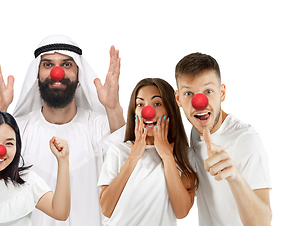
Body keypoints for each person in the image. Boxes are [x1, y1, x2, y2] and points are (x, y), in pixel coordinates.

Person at [0, 34, 126, 225]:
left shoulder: (100, 127)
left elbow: (126, 165)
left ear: (79, 73)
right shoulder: (19, 129)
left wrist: (112, 108)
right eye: (48, 64)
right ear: (37, 74)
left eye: (67, 64)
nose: (57, 72)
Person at [174, 53, 271, 225]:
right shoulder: (196, 130)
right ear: (178, 99)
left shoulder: (246, 140)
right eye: (189, 93)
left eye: (208, 91)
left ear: (222, 93)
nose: (199, 103)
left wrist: (235, 177)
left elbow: (263, 223)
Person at [97, 78, 197, 225]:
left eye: (157, 103)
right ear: (135, 111)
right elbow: (106, 208)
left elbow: (181, 212)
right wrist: (133, 157)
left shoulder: (185, 155)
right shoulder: (118, 152)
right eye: (140, 104)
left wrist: (168, 157)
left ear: (170, 109)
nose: (147, 111)